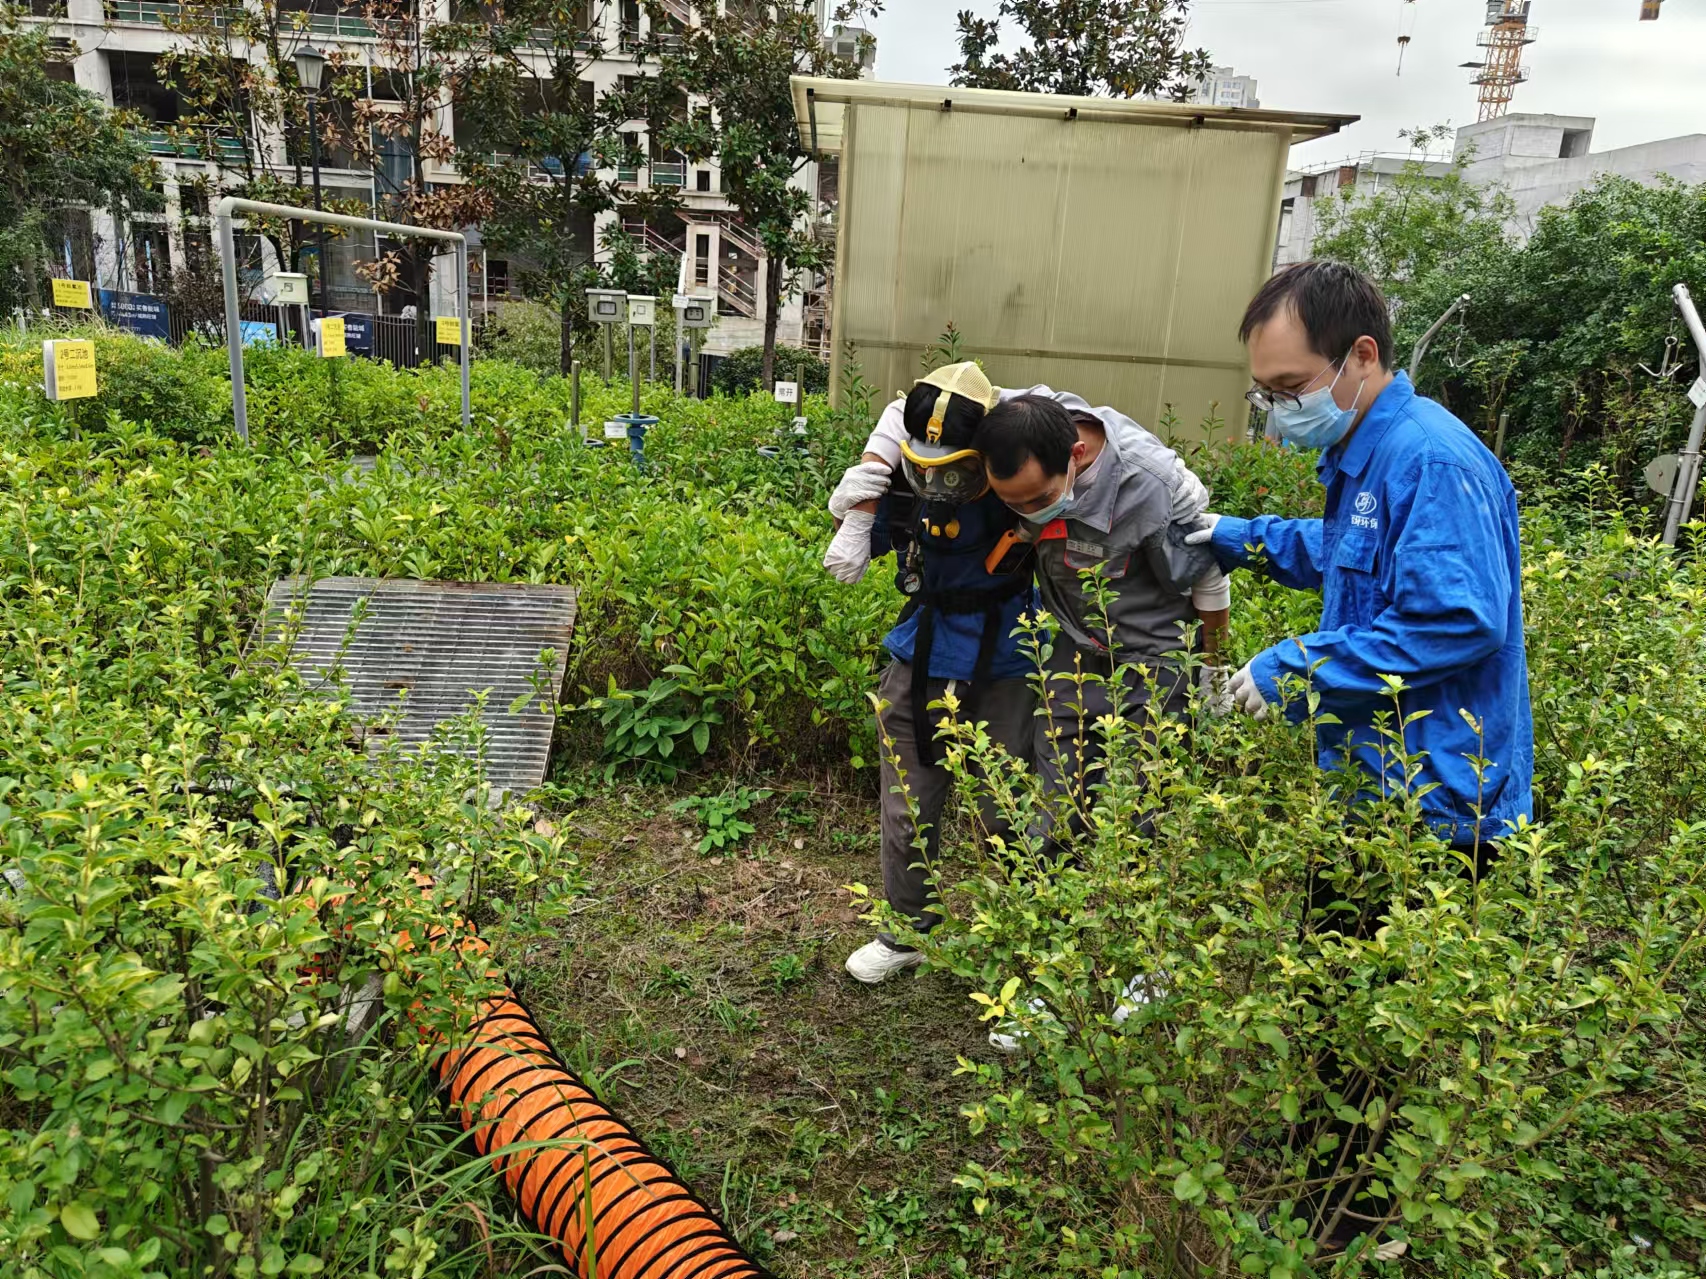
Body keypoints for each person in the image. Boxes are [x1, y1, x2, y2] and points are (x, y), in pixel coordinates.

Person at [1187, 259, 1533, 853]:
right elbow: (1356, 554)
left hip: (1437, 809)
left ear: (1363, 355)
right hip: (1373, 787)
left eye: (1292, 388)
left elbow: (1456, 621)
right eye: (1266, 393)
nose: (1278, 410)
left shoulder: (1428, 459)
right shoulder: (1369, 449)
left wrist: (1296, 667)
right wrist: (1238, 535)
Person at [824, 363, 1041, 985]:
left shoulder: (1020, 479)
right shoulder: (903, 483)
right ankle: (908, 928)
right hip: (920, 657)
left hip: (1005, 662)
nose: (940, 482)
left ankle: (1033, 945)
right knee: (907, 802)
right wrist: (858, 509)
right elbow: (896, 417)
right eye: (926, 467)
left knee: (1012, 810)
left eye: (958, 468)